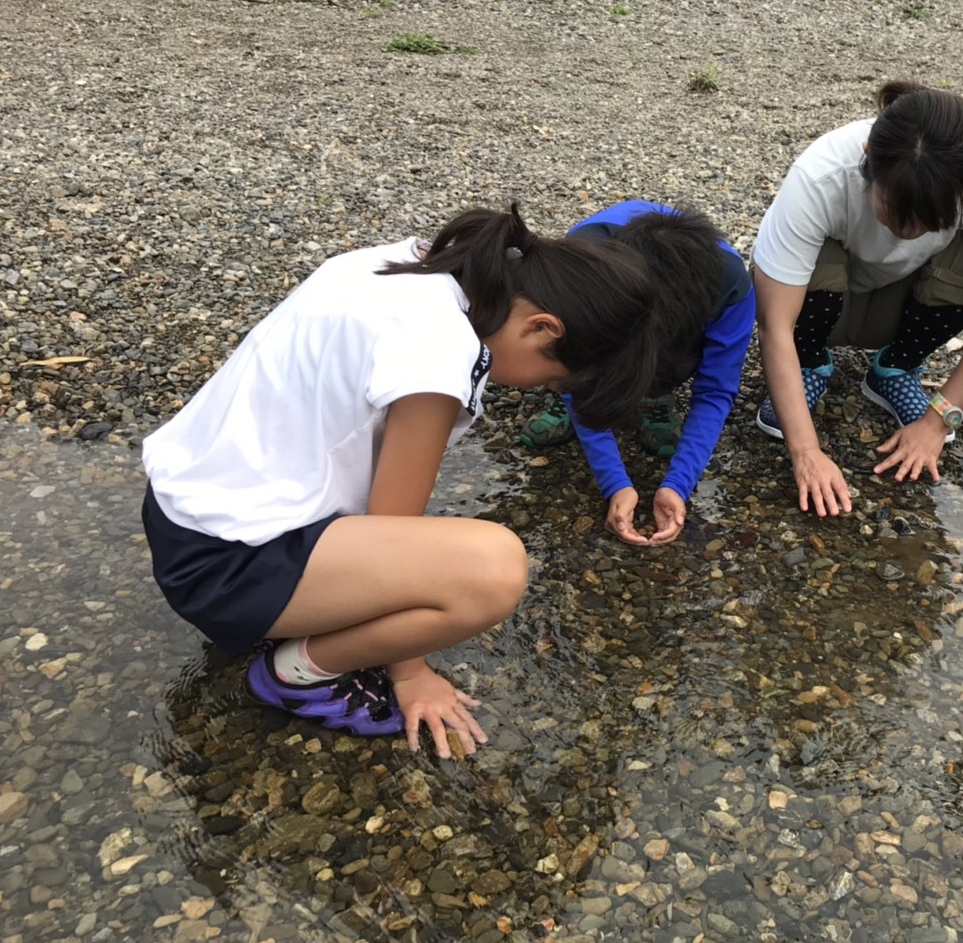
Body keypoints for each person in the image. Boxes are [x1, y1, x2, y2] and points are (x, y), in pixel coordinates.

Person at [141, 205, 656, 756]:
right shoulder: (439, 352)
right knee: (494, 570)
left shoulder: (408, 265)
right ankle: (295, 674)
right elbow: (393, 528)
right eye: (553, 380)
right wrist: (409, 673)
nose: (536, 391)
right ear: (541, 327)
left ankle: (295, 615)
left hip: (186, 515)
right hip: (223, 565)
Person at [751, 80, 963, 517]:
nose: (910, 230)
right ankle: (811, 364)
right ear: (868, 159)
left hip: (905, 304)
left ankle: (895, 367)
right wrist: (805, 451)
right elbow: (775, 325)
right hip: (828, 300)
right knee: (802, 273)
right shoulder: (821, 177)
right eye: (897, 211)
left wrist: (937, 423)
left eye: (930, 220)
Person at [517, 201, 754, 545]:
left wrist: (678, 485)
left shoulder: (733, 292)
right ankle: (569, 398)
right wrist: (615, 483)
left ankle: (654, 395)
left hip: (683, 332)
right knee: (569, 358)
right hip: (597, 290)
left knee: (657, 355)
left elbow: (715, 391)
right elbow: (574, 356)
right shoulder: (583, 266)